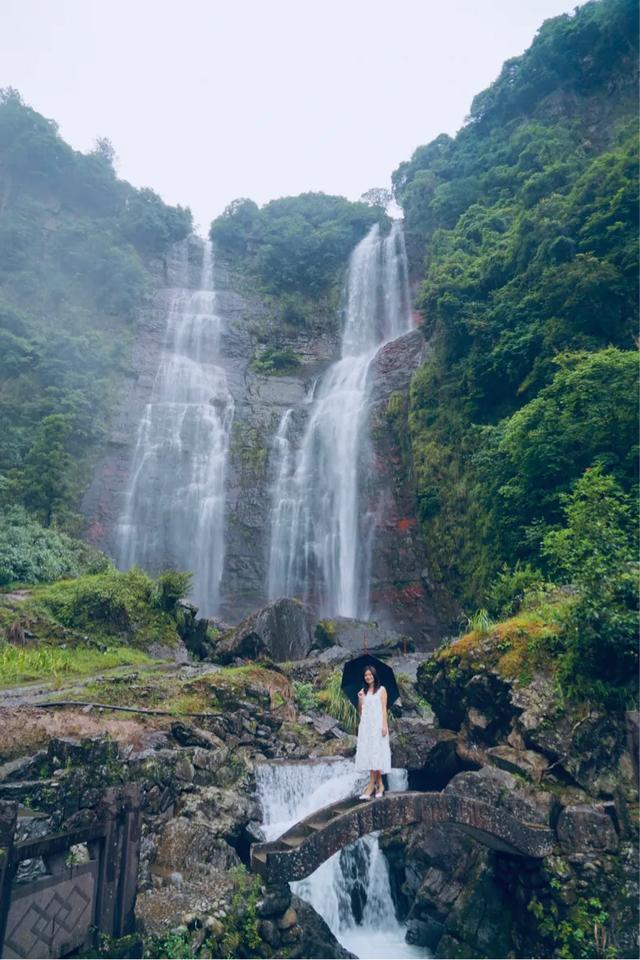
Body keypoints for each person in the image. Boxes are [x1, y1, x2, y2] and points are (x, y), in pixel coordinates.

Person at [354, 664, 391, 799]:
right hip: (366, 727)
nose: (368, 677)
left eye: (370, 674)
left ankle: (370, 787)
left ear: (374, 675)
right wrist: (360, 699)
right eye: (366, 675)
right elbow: (360, 710)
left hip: (378, 726)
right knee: (371, 755)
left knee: (377, 753)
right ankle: (380, 785)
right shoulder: (363, 692)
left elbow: (383, 709)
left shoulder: (382, 690)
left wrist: (384, 725)